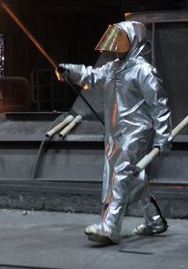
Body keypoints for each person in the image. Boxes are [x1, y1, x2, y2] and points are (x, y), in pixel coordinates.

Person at [58, 20, 172, 245]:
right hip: (115, 132)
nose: (117, 45)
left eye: (122, 40)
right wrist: (69, 70)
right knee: (134, 177)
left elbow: (159, 106)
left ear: (134, 41)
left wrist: (162, 137)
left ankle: (110, 227)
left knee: (120, 175)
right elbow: (91, 77)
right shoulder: (113, 68)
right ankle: (155, 219)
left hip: (137, 131)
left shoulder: (144, 71)